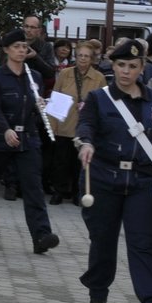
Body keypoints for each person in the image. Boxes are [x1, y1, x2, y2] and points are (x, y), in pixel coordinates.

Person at [75, 37, 152, 303]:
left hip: (143, 182)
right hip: (104, 179)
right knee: (103, 241)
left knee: (143, 244)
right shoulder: (99, 98)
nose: (125, 71)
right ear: (113, 65)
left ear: (142, 68)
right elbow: (86, 127)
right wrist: (86, 144)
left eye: (132, 66)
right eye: (120, 65)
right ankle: (98, 295)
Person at [0, 28, 59, 255]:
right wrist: (5, 130)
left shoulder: (33, 77)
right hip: (0, 138)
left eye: (24, 47)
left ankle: (41, 235)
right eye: (16, 47)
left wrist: (41, 106)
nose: (21, 51)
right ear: (7, 50)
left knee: (33, 187)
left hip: (27, 139)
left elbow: (34, 107)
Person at [49, 39, 102, 204]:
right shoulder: (65, 74)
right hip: (64, 124)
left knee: (79, 163)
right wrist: (52, 125)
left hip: (84, 128)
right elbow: (55, 98)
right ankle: (59, 191)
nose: (83, 59)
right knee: (60, 161)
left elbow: (102, 104)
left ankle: (77, 193)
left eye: (87, 56)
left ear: (92, 58)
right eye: (80, 55)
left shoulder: (99, 78)